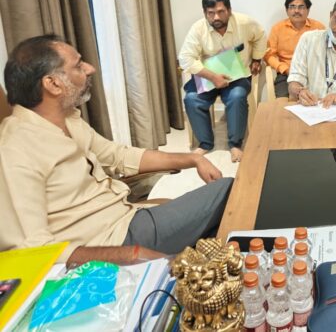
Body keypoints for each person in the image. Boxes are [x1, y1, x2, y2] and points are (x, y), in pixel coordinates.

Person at [0, 35, 233, 265]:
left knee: (225, 232)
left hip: (125, 215)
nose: (90, 69)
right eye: (78, 65)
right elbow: (32, 250)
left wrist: (192, 159)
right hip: (110, 243)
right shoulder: (14, 150)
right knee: (229, 190)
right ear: (53, 84)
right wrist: (131, 255)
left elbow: (119, 156)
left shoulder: (67, 119)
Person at [179, 0, 266, 162]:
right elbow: (185, 58)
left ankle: (235, 144)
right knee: (191, 99)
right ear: (205, 13)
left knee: (237, 97)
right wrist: (212, 77)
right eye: (211, 13)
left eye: (221, 11)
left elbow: (260, 35)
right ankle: (205, 143)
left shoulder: (244, 22)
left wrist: (257, 58)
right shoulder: (198, 28)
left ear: (229, 10)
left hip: (237, 75)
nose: (216, 17)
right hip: (208, 75)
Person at [264, 0, 325, 98]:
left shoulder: (318, 28)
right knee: (282, 101)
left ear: (308, 10)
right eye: (292, 7)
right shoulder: (277, 29)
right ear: (287, 10)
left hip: (313, 74)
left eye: (301, 7)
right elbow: (269, 55)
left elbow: (326, 53)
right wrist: (284, 68)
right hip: (286, 74)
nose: (296, 11)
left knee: (318, 99)